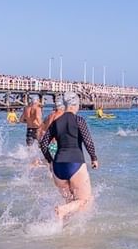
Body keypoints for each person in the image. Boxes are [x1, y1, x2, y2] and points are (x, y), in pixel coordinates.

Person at [38, 91, 99, 221]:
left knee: (70, 202)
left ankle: (65, 228)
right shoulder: (79, 120)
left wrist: (50, 161)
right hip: (75, 164)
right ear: (74, 104)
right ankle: (62, 210)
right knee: (84, 201)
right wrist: (94, 158)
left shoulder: (56, 122)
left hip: (58, 167)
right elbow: (88, 141)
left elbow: (43, 144)